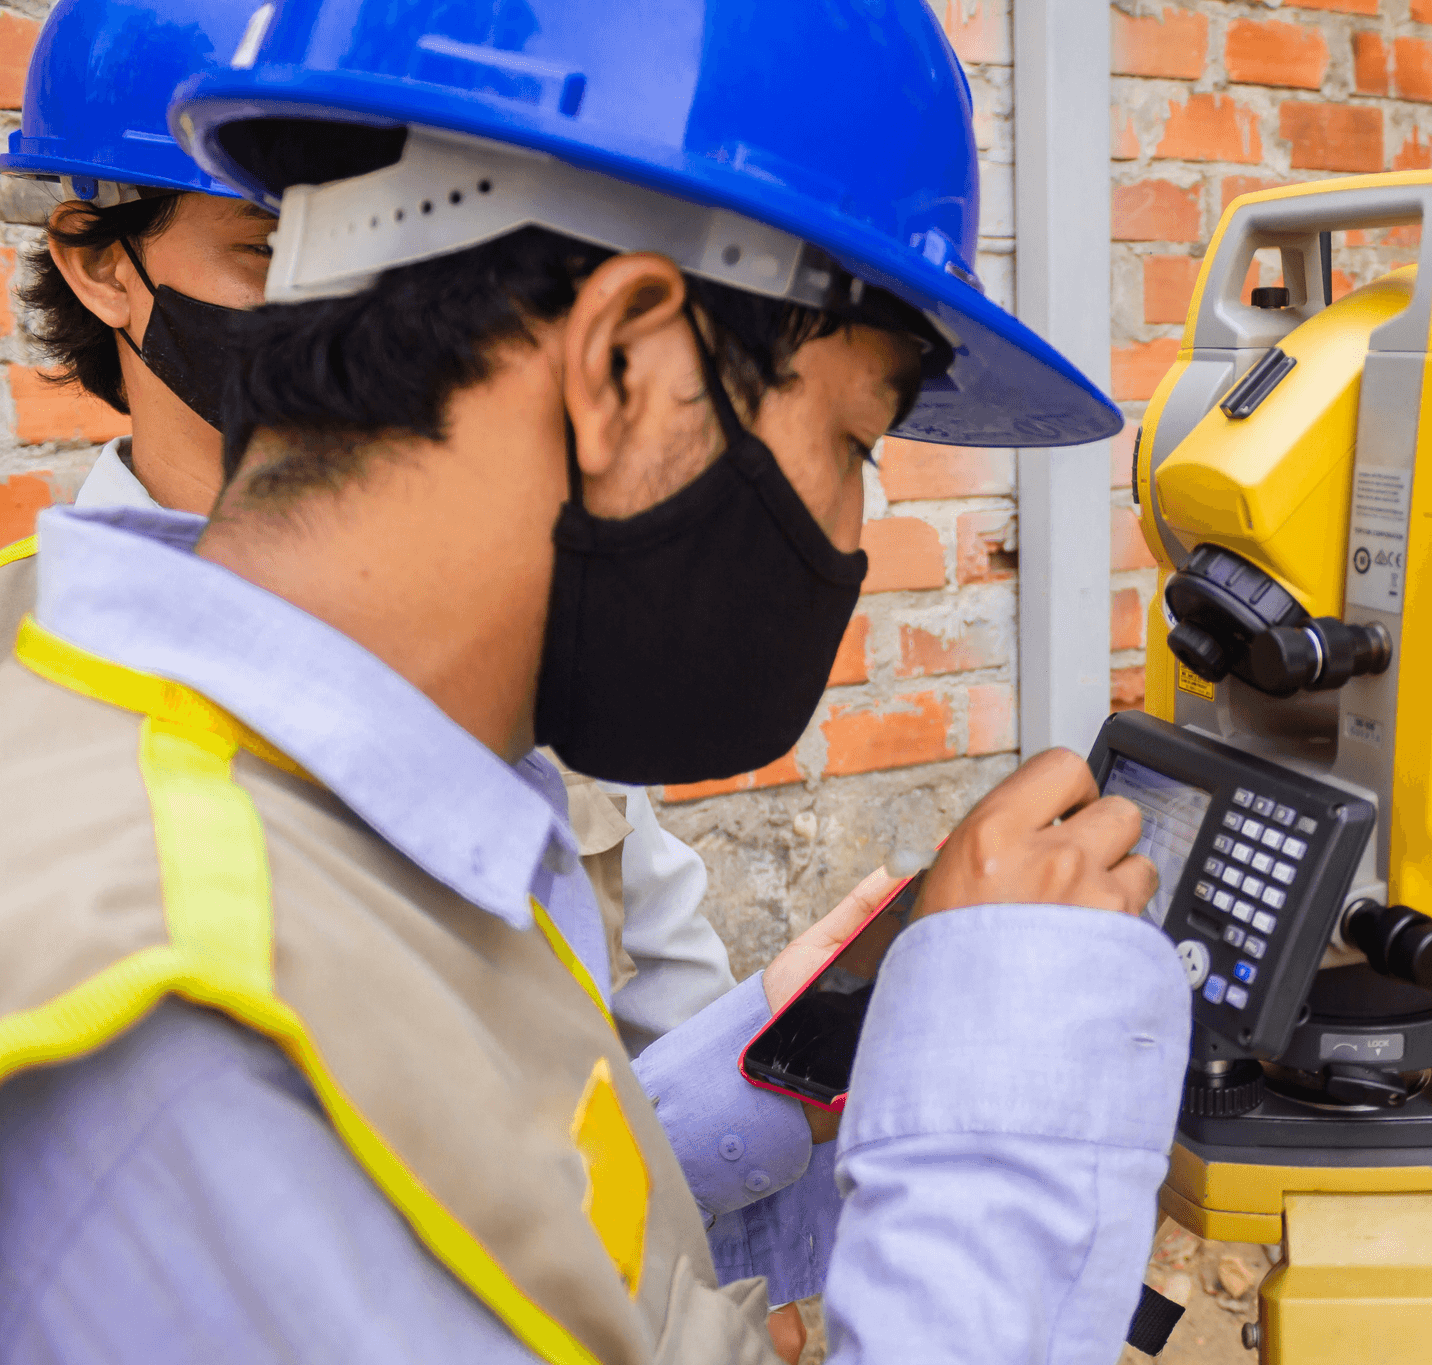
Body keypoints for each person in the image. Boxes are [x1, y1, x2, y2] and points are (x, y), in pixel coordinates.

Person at [0, 1, 1189, 1363]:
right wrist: (1005, 1114)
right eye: (855, 439)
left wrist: (739, 1091)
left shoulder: (178, 735)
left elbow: (483, 1217)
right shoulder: (210, 1040)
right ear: (625, 362)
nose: (854, 526)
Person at [0, 0, 739, 1056]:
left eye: (381, 248)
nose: (342, 306)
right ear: (101, 265)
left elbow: (664, 1046)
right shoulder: (25, 680)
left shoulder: (516, 604)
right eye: (273, 250)